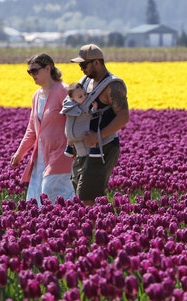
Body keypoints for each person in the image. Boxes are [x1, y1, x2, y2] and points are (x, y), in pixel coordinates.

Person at [10, 53, 75, 205]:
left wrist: (76, 147)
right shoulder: (36, 96)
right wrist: (19, 154)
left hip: (61, 153)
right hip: (40, 155)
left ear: (48, 68)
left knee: (53, 195)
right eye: (29, 72)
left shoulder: (63, 91)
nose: (32, 75)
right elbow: (31, 130)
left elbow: (75, 120)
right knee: (36, 197)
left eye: (35, 70)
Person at [69, 44, 130, 206]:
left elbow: (123, 116)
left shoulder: (113, 85)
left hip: (104, 145)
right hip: (83, 147)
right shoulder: (85, 82)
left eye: (83, 64)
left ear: (96, 62)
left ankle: (96, 228)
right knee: (79, 192)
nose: (81, 68)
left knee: (88, 195)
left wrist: (98, 135)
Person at [60, 82, 99, 159]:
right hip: (80, 133)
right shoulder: (82, 107)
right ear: (72, 99)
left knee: (70, 137)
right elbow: (90, 114)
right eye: (80, 97)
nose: (84, 97)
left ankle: (69, 148)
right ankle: (94, 149)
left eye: (85, 94)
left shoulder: (68, 106)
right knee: (90, 134)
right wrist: (94, 109)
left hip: (70, 133)